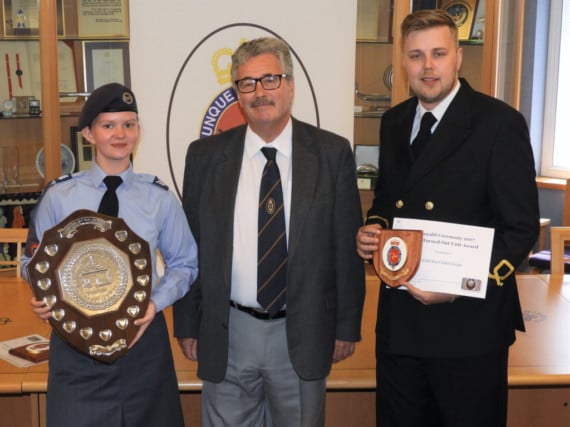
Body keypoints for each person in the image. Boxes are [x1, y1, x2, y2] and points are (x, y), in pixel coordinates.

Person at [355, 9, 539, 427]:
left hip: (468, 328)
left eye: (438, 53)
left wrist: (461, 285)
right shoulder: (394, 121)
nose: (428, 66)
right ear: (403, 62)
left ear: (458, 56)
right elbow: (387, 199)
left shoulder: (498, 124)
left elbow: (521, 228)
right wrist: (376, 229)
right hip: (401, 323)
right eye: (416, 55)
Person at [173, 37, 365, 426]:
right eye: (247, 83)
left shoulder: (332, 154)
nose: (260, 92)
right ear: (236, 94)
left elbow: (346, 248)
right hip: (228, 330)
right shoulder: (205, 157)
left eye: (270, 80)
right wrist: (188, 324)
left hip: (304, 330)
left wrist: (346, 327)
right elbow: (191, 247)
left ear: (290, 86)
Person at [21, 83, 199, 427]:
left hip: (143, 342)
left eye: (129, 124)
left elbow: (185, 264)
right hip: (74, 347)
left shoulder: (159, 198)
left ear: (138, 131)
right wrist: (44, 295)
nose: (120, 134)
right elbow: (32, 262)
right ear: (88, 134)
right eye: (108, 125)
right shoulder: (59, 196)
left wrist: (154, 303)